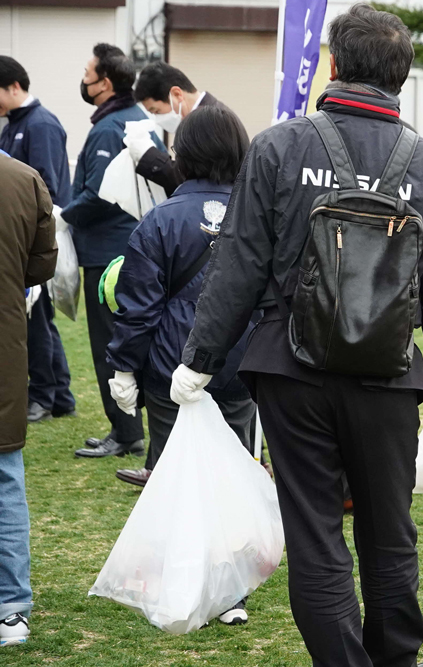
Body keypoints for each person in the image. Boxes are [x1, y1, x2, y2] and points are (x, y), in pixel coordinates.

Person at [169, 5, 423, 666]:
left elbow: (240, 261)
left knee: (315, 534)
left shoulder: (280, 146)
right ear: (402, 75)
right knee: (391, 535)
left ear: (333, 65)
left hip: (292, 369)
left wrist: (198, 358)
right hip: (390, 376)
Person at [104, 106, 255, 625]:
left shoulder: (161, 219)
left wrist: (123, 369)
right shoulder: (257, 214)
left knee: (172, 476)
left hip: (172, 367)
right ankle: (231, 593)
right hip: (240, 366)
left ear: (182, 154)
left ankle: (182, 581)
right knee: (232, 474)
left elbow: (138, 307)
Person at [61, 44, 164, 459]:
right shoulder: (141, 118)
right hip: (138, 248)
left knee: (110, 343)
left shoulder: (109, 127)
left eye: (87, 72)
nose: (83, 80)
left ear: (104, 82)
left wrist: (61, 216)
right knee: (136, 340)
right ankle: (132, 427)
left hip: (107, 255)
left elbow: (97, 195)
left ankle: (124, 432)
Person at [0, 152, 57, 647]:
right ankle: (11, 606)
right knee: (5, 475)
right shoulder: (24, 179)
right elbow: (41, 262)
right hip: (5, 343)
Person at [0, 55, 76, 423]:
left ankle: (43, 397)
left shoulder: (40, 124)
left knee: (35, 323)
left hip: (34, 240)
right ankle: (60, 395)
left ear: (14, 86)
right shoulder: (13, 124)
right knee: (40, 321)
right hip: (23, 241)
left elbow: (43, 187)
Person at [128, 61, 238, 196]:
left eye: (156, 110)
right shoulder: (202, 119)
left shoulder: (211, 123)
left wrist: (149, 156)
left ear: (177, 94)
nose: (157, 119)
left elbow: (191, 181)